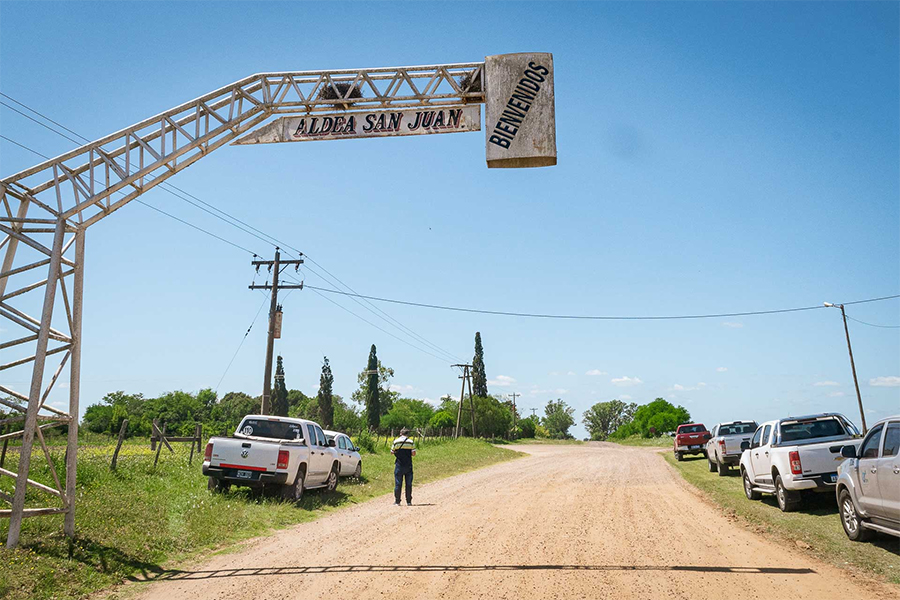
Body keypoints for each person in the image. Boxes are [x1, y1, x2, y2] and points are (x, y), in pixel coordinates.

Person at [391, 427, 416, 505]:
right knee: (408, 484)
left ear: (400, 433)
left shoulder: (396, 441)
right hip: (408, 465)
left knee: (398, 483)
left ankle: (397, 501)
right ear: (407, 434)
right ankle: (408, 501)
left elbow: (392, 452)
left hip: (399, 464)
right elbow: (414, 454)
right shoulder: (411, 442)